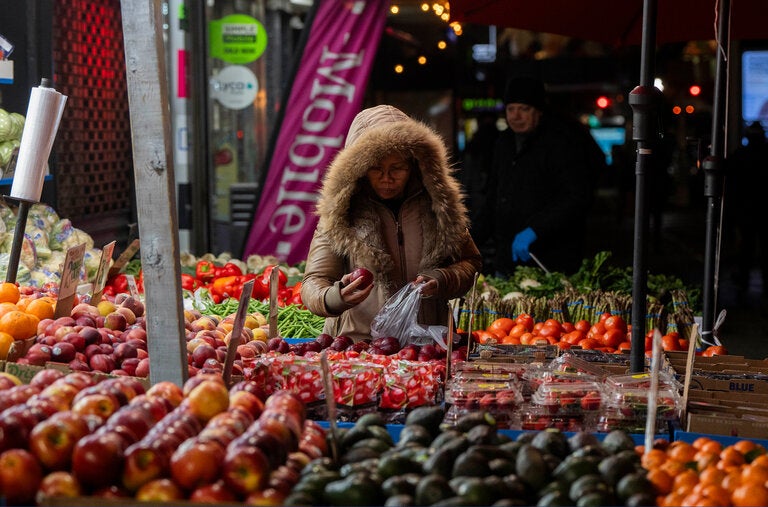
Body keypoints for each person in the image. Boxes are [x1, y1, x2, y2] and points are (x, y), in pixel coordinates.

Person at [300, 105, 483, 342]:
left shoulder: (440, 208)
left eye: (397, 168)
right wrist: (336, 296)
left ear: (414, 165)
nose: (387, 178)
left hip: (426, 346)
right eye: (376, 169)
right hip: (359, 348)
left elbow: (471, 262)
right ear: (360, 169)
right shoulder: (340, 213)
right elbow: (313, 282)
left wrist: (443, 279)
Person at [472, 75, 603, 276]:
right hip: (507, 260)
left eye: (524, 109)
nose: (516, 116)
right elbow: (493, 200)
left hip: (550, 261)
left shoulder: (561, 143)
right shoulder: (503, 143)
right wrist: (469, 243)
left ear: (539, 111)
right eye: (510, 109)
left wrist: (535, 230)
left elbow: (576, 197)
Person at [726, 120, 768, 295]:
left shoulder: (741, 155)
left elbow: (731, 183)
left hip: (746, 209)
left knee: (746, 248)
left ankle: (743, 281)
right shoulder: (765, 154)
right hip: (763, 208)